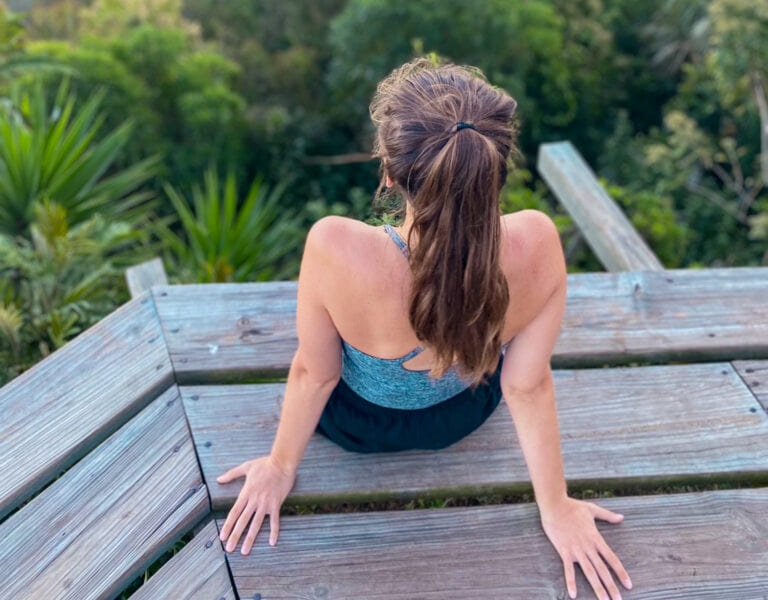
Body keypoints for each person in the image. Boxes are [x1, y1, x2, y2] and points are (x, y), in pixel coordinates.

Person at [216, 58, 632, 600]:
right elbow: (526, 385)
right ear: (497, 170)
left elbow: (315, 374)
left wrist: (279, 466)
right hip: (461, 418)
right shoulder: (538, 241)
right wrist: (555, 506)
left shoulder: (335, 247)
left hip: (355, 429)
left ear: (390, 174)